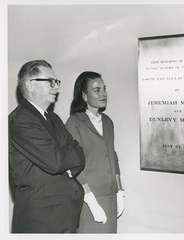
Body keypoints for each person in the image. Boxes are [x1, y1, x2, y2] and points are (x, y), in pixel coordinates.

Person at [9, 60, 85, 233]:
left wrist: (68, 162)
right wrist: (66, 160)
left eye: (57, 82)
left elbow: (79, 151)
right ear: (30, 85)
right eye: (50, 81)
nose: (56, 87)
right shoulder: (21, 120)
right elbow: (55, 162)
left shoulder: (54, 118)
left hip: (63, 216)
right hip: (41, 221)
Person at [65, 71, 124, 233]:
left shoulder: (107, 122)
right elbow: (72, 164)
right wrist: (90, 200)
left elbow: (113, 158)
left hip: (110, 195)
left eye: (104, 89)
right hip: (88, 198)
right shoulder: (75, 123)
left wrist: (120, 191)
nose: (104, 94)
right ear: (84, 96)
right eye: (97, 90)